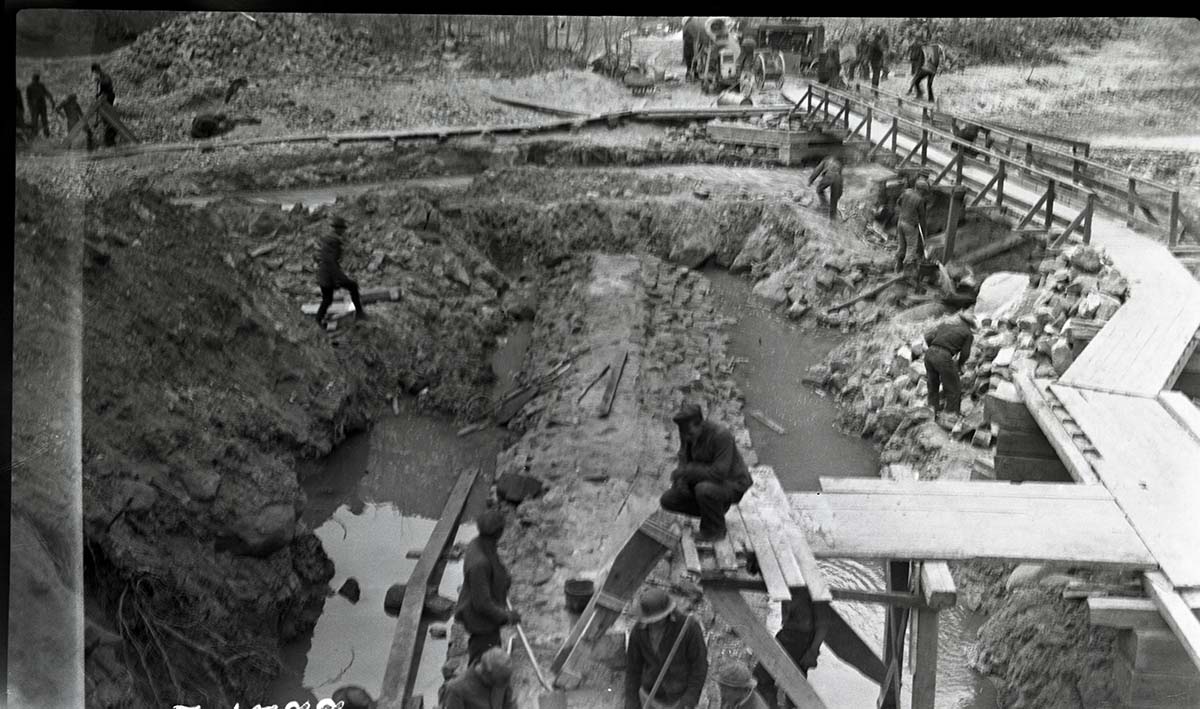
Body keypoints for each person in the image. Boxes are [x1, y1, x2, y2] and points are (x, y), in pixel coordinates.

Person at [660, 403, 752, 542]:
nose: (687, 437)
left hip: (733, 483)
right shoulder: (688, 434)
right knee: (668, 500)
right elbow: (684, 458)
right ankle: (715, 510)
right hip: (706, 480)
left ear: (701, 425)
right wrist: (681, 482)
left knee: (704, 490)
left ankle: (715, 530)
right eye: (684, 433)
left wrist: (689, 471)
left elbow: (719, 472)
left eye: (690, 433)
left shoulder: (721, 435)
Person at [454, 509, 521, 665]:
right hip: (481, 624)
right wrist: (507, 617)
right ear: (499, 532)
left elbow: (494, 571)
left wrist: (503, 580)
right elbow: (482, 603)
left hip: (486, 623)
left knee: (489, 659)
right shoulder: (480, 563)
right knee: (482, 666)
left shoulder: (479, 544)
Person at [624, 588, 708, 709]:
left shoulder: (688, 628)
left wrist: (689, 700)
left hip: (679, 699)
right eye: (650, 621)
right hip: (649, 697)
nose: (654, 623)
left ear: (668, 613)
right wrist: (631, 702)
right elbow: (633, 670)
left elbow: (699, 666)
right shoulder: (638, 631)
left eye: (658, 620)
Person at [752, 589, 829, 708]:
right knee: (762, 675)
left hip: (801, 642)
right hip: (786, 635)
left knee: (794, 687)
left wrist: (813, 651)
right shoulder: (787, 588)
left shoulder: (815, 590)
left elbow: (823, 624)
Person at [314, 216, 368, 327]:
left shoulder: (328, 239)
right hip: (330, 274)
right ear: (338, 229)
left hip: (324, 273)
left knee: (327, 299)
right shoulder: (334, 242)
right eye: (342, 229)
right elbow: (331, 262)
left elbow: (324, 259)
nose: (343, 231)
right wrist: (337, 279)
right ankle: (359, 313)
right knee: (353, 286)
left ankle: (318, 320)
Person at [924, 310, 976, 418]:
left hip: (929, 353)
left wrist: (932, 348)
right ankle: (950, 415)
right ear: (970, 325)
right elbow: (965, 354)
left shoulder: (944, 325)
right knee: (954, 387)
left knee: (933, 385)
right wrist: (959, 364)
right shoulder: (968, 334)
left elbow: (928, 336)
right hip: (943, 356)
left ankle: (930, 413)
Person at [440, 647, 516, 709]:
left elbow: (510, 705)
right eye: (496, 684)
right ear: (484, 673)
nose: (501, 687)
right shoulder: (456, 689)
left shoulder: (501, 676)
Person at [894, 178, 929, 272]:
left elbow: (898, 202)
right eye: (924, 191)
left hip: (900, 222)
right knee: (911, 248)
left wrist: (905, 210)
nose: (924, 194)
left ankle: (898, 267)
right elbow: (922, 217)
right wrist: (924, 232)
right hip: (910, 225)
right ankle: (907, 271)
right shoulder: (919, 200)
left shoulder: (907, 192)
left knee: (901, 245)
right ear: (921, 190)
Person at [808, 155, 844, 221]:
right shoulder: (839, 164)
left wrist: (810, 180)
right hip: (838, 179)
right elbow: (841, 181)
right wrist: (839, 194)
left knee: (819, 190)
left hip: (829, 176)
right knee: (833, 202)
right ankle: (832, 220)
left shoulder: (825, 161)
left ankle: (824, 205)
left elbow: (817, 171)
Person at [25, 74, 55, 138]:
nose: (35, 81)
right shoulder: (29, 87)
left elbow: (46, 93)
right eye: (35, 79)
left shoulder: (41, 85)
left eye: (36, 79)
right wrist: (30, 107)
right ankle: (34, 135)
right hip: (35, 107)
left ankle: (46, 134)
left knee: (44, 120)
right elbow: (28, 98)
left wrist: (51, 100)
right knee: (35, 121)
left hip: (42, 106)